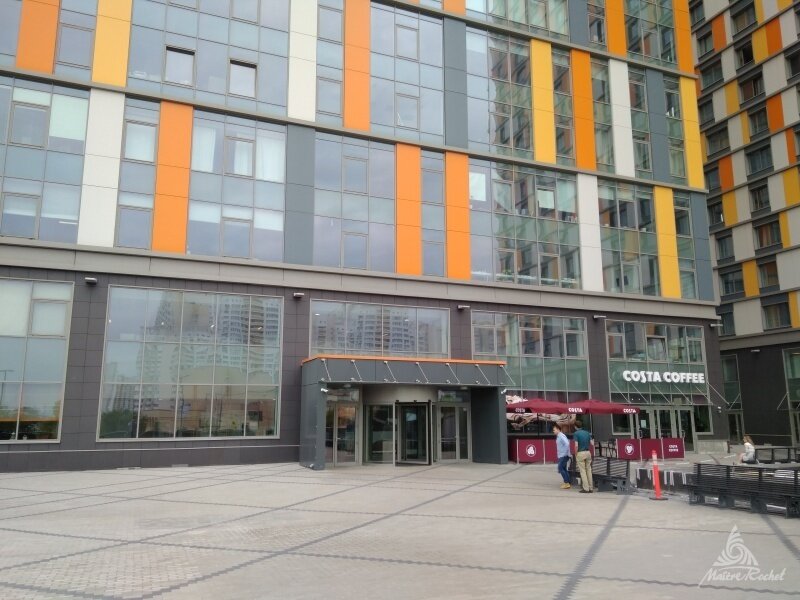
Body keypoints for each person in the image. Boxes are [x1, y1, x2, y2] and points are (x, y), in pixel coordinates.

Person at [573, 419, 594, 493]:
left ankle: (586, 488)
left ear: (575, 426)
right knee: (589, 470)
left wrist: (576, 454)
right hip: (588, 452)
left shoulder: (576, 433)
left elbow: (576, 445)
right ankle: (591, 488)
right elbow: (592, 443)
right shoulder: (587, 433)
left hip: (580, 453)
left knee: (583, 471)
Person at [553, 424, 571, 489]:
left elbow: (567, 443)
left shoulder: (561, 436)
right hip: (562, 455)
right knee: (564, 469)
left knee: (560, 468)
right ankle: (568, 482)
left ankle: (566, 483)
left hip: (563, 455)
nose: (553, 431)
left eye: (554, 430)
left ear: (558, 429)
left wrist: (565, 453)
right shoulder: (559, 436)